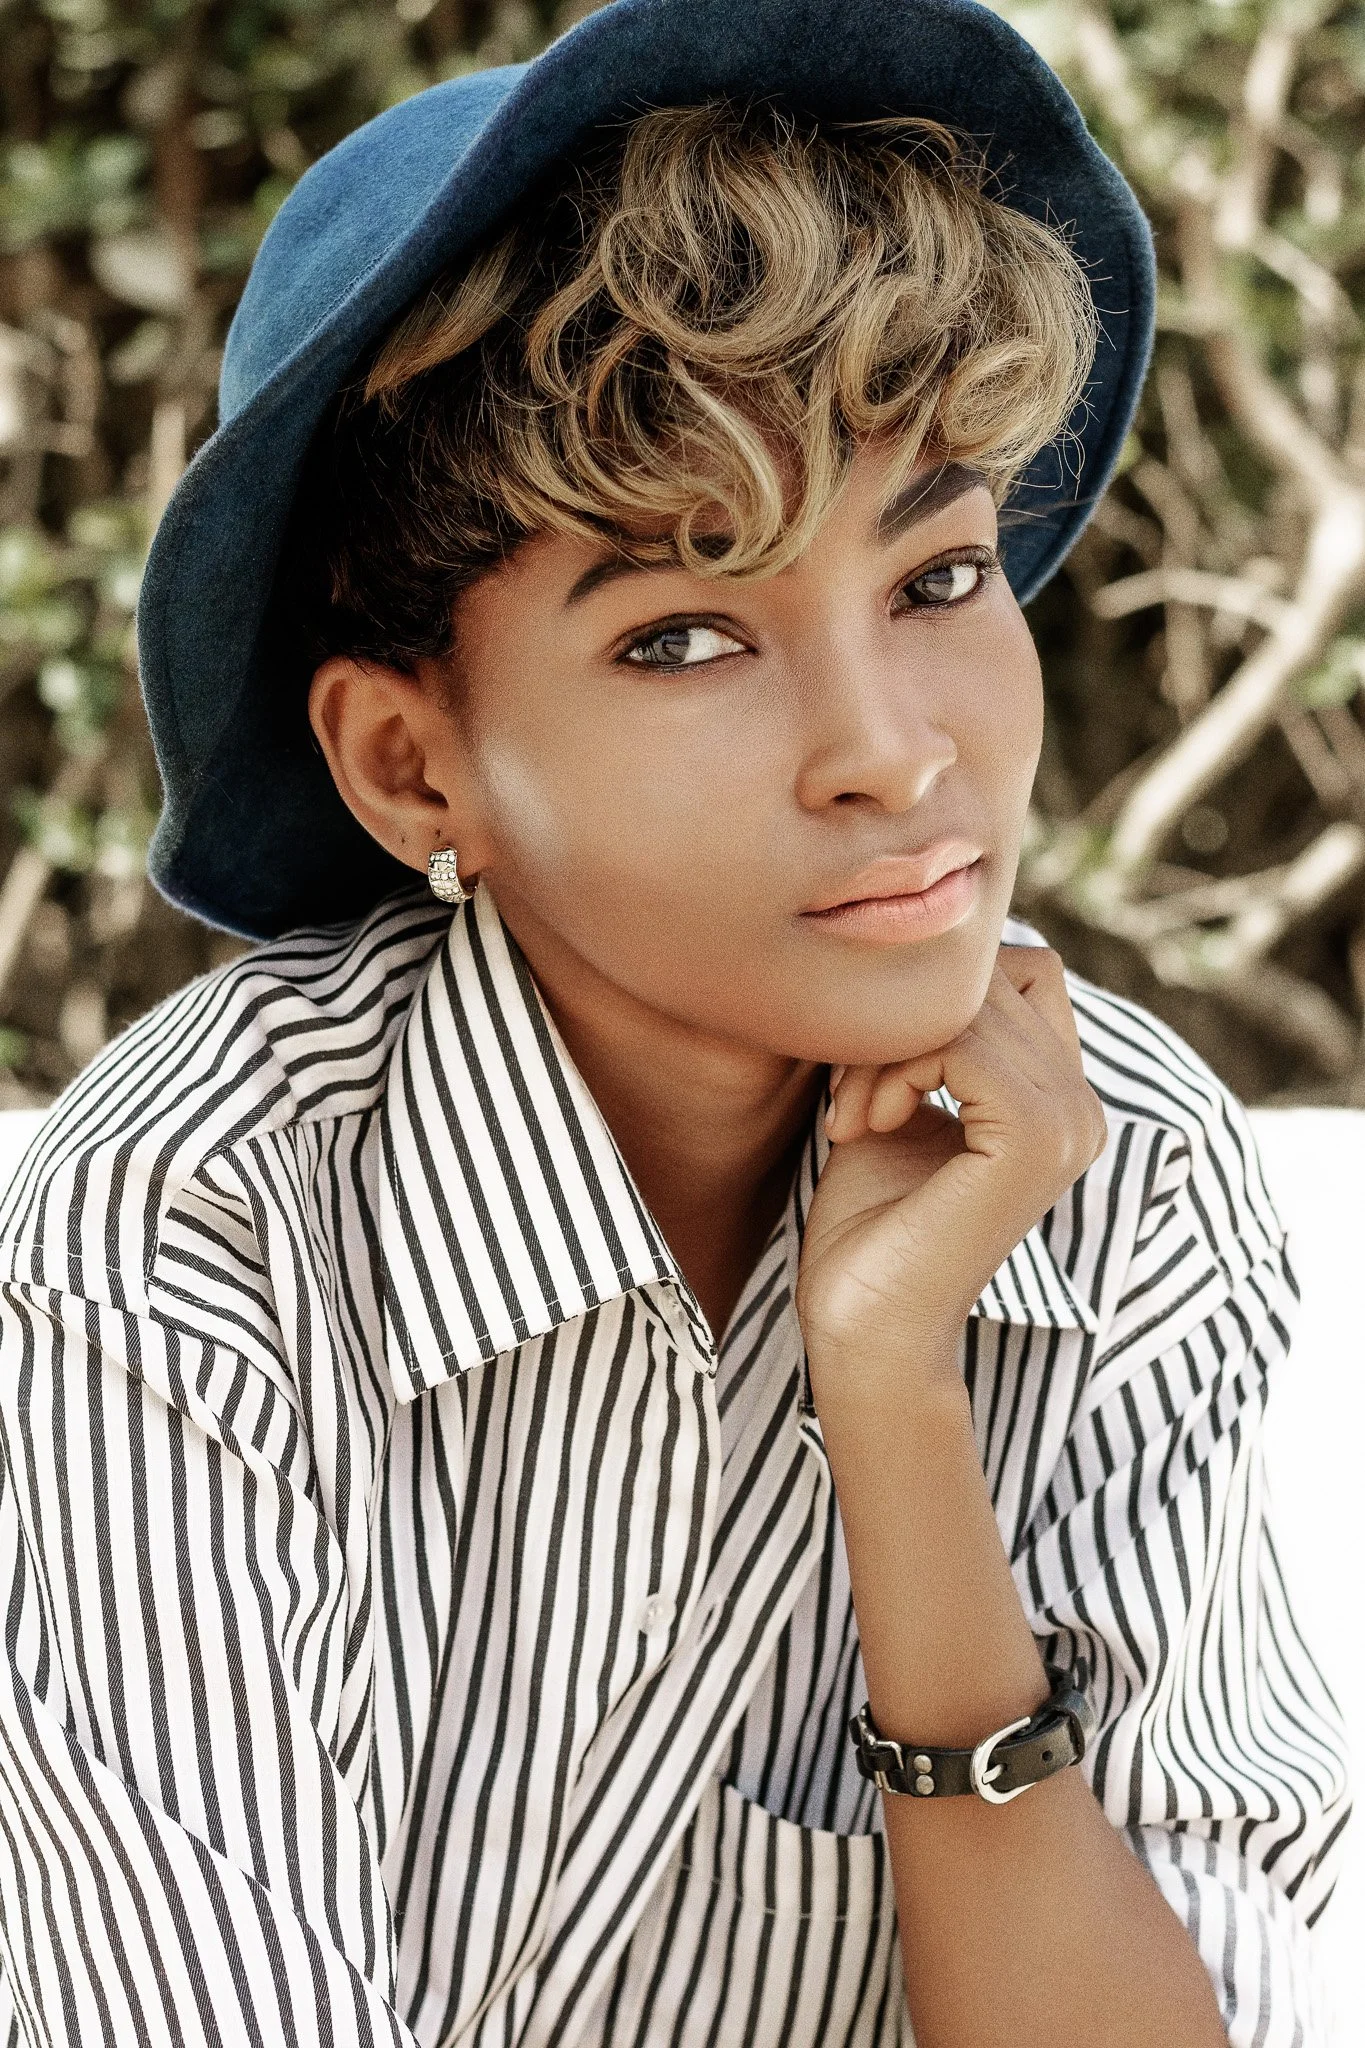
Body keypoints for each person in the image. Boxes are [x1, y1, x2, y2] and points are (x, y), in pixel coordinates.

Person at [0, 1, 1349, 2043]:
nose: (892, 756)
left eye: (938, 574)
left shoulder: (1114, 1175)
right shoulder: (191, 1236)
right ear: (407, 765)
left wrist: (893, 1396)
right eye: (686, 632)